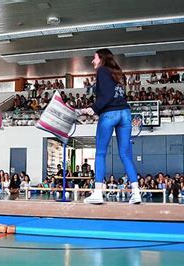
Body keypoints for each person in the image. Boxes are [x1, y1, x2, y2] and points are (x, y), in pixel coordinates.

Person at [79, 48, 141, 204]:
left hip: (110, 114)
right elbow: (115, 95)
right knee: (125, 155)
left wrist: (94, 108)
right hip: (125, 113)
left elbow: (106, 95)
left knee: (100, 153)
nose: (93, 61)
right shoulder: (118, 73)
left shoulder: (102, 71)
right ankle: (136, 192)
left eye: (94, 58)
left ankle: (98, 193)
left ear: (101, 58)